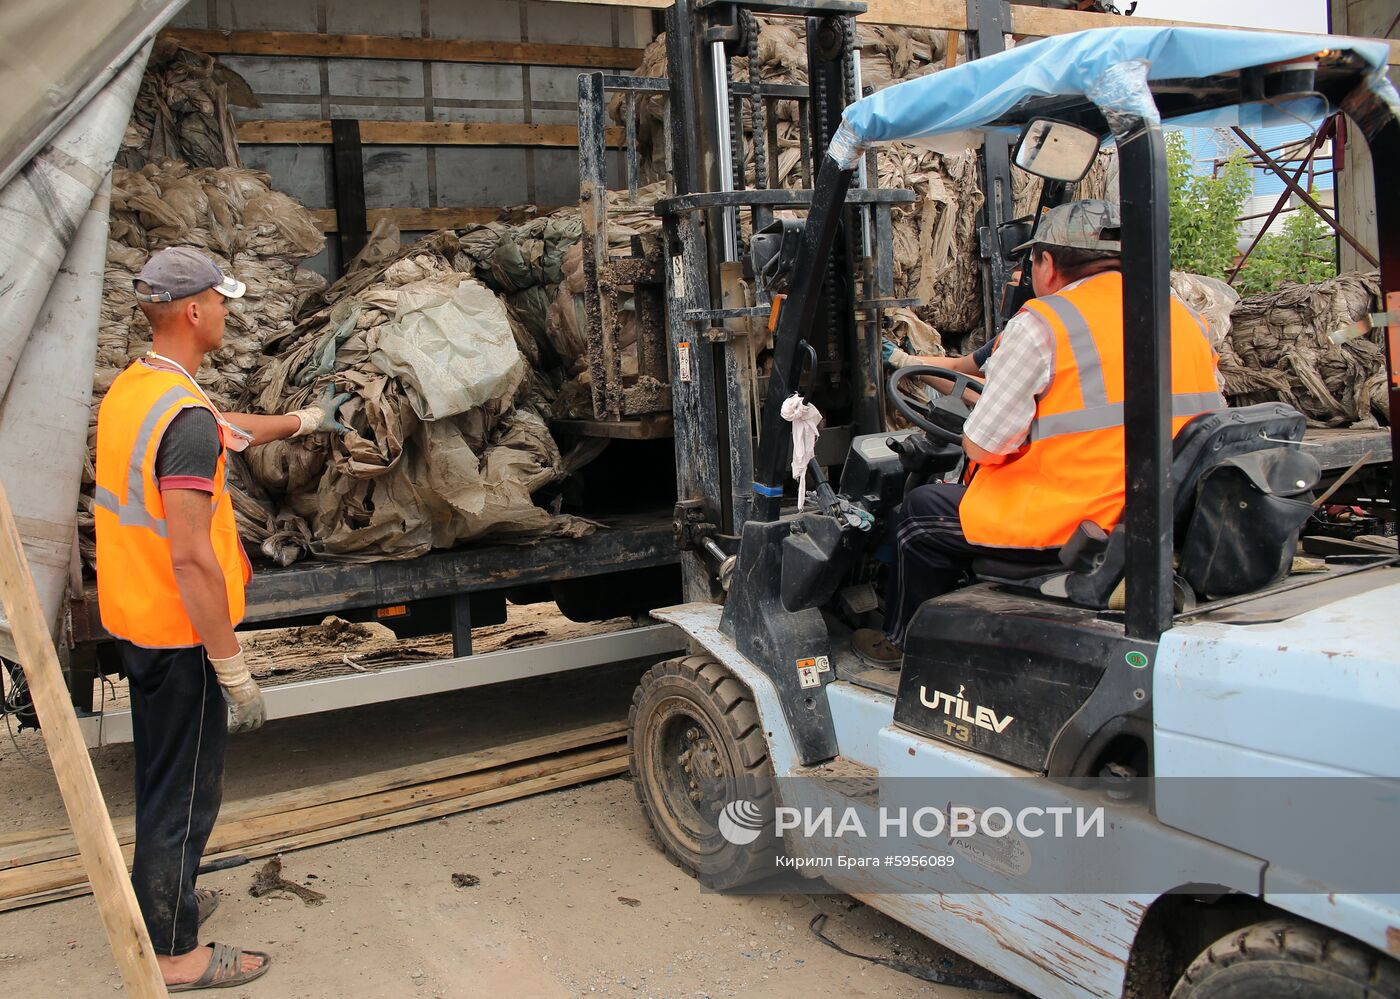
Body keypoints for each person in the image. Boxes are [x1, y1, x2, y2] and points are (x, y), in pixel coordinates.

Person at [93, 247, 351, 990]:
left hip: (138, 620)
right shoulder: (182, 417)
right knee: (185, 794)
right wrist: (230, 663)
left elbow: (215, 424)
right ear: (194, 311)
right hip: (181, 635)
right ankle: (176, 954)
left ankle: (159, 907)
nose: (228, 313)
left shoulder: (139, 391)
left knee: (160, 778)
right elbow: (192, 560)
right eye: (221, 301)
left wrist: (302, 418)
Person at [855, 200, 1222, 668]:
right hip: (1165, 508)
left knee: (920, 513)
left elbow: (984, 446)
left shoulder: (1044, 323)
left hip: (1081, 520)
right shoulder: (1184, 317)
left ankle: (906, 647)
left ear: (1046, 262)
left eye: (1031, 262)